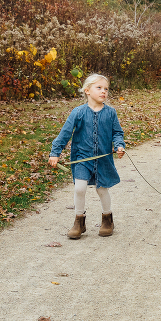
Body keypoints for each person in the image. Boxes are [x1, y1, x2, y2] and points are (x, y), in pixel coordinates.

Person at [48, 74, 126, 239]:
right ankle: (79, 221)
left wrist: (119, 145)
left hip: (103, 160)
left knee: (102, 189)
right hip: (81, 159)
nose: (103, 91)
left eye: (106, 89)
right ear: (87, 91)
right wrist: (55, 152)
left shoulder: (111, 113)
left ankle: (107, 219)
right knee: (79, 188)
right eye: (99, 88)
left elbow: (117, 133)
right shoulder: (78, 112)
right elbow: (65, 134)